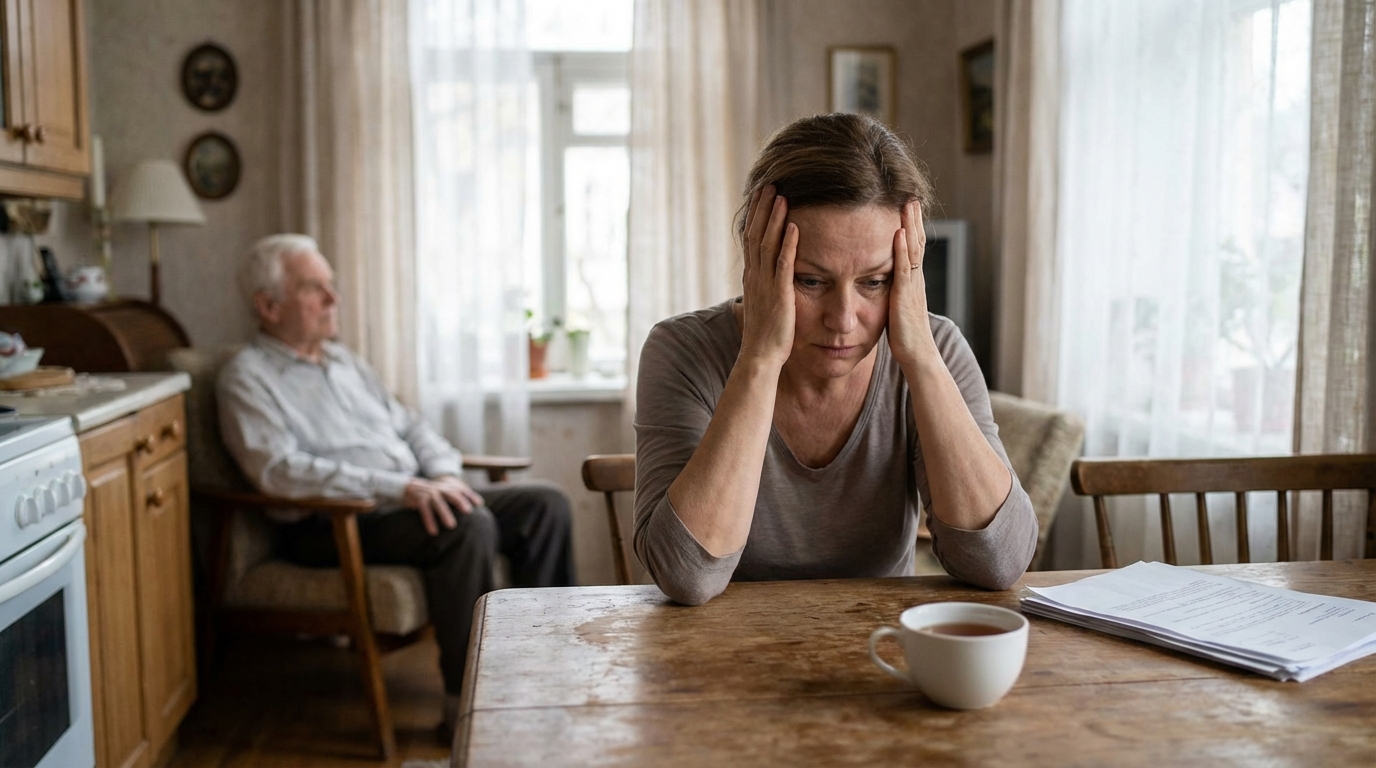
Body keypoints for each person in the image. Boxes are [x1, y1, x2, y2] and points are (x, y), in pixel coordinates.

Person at [633, 114, 1037, 606]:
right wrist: (760, 358)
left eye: (874, 282)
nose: (844, 319)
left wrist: (922, 361)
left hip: (881, 649)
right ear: (757, 260)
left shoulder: (938, 349)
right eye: (810, 281)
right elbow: (688, 576)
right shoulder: (682, 351)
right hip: (716, 657)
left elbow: (1000, 563)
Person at [217, 233, 575, 732]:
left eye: (331, 285)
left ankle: (549, 675)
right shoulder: (246, 377)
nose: (332, 299)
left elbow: (411, 426)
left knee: (545, 504)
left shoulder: (344, 363)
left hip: (407, 499)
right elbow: (277, 470)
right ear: (268, 305)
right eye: (313, 288)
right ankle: (467, 705)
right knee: (465, 524)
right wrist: (399, 487)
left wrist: (445, 473)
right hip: (332, 524)